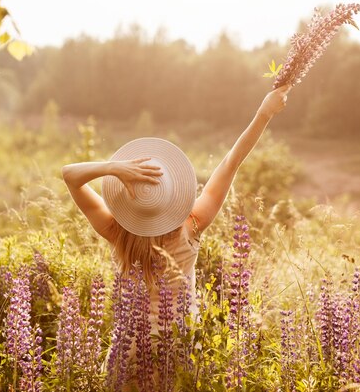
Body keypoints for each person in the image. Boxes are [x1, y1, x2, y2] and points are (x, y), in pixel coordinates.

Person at [60, 83, 292, 385]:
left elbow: (70, 175)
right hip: (179, 351)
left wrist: (113, 168)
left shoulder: (117, 231)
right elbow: (230, 162)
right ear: (174, 195)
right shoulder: (192, 225)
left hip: (127, 352)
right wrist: (264, 113)